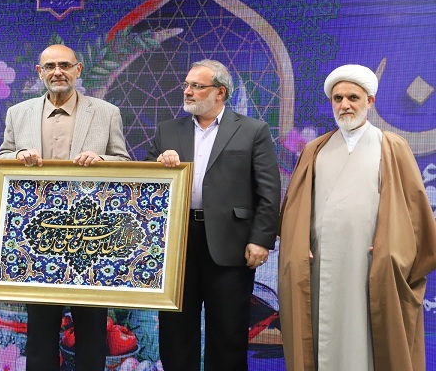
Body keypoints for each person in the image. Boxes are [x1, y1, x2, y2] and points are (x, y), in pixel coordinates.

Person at [278, 64, 436, 371]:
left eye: (353, 97)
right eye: (338, 99)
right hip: (321, 264)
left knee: (366, 337)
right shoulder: (314, 150)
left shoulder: (392, 146)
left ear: (370, 102)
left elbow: (415, 213)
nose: (345, 105)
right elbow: (295, 209)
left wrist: (393, 247)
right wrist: (299, 245)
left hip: (371, 265)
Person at [0, 44, 130, 370]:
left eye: (65, 65)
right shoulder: (18, 113)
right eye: (50, 66)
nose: (58, 72)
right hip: (39, 238)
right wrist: (18, 156)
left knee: (92, 332)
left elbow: (125, 165)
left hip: (91, 238)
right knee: (40, 333)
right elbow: (2, 158)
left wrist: (102, 160)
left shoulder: (106, 112)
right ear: (40, 72)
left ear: (78, 69)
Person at [145, 59, 281, 370]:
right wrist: (158, 164)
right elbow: (146, 184)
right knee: (175, 334)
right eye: (187, 85)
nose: (187, 91)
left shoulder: (252, 130)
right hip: (178, 245)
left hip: (231, 242)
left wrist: (261, 239)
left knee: (228, 332)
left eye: (197, 86)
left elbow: (268, 190)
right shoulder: (168, 130)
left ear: (220, 92)